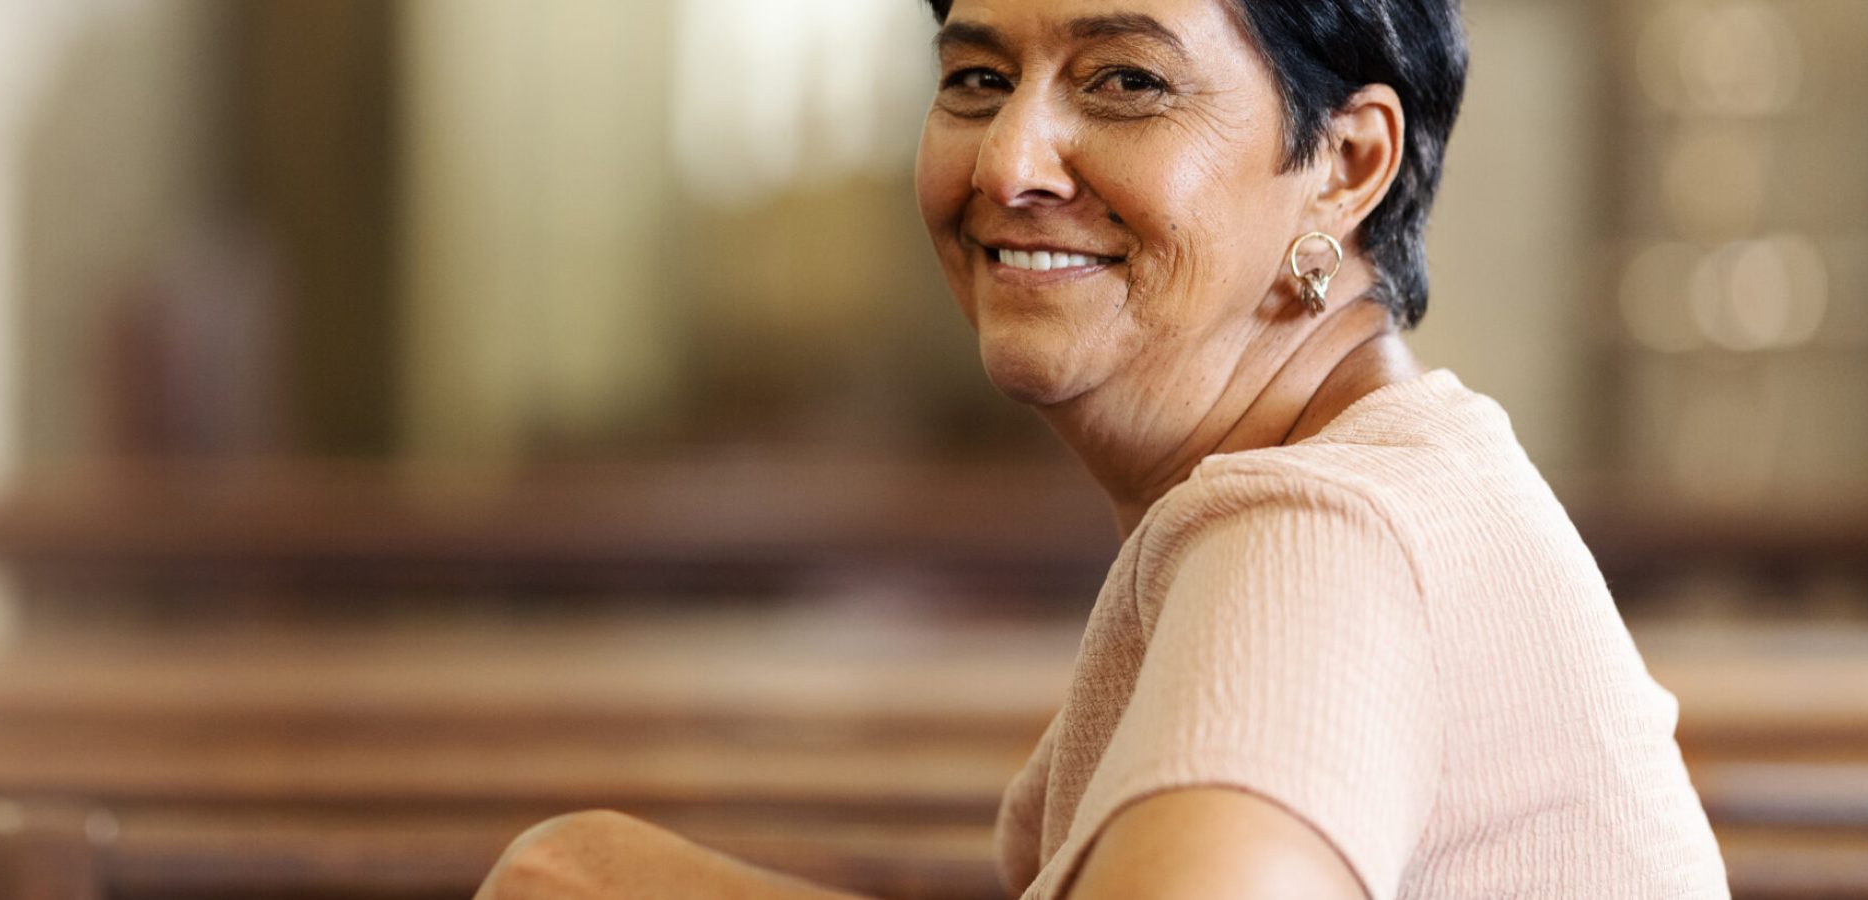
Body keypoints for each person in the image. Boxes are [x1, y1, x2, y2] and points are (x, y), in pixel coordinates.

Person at [474, 0, 1734, 897]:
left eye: (1124, 81)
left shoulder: (1324, 533)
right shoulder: (1395, 473)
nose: (1011, 161)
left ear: (1346, 166)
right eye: (975, 79)